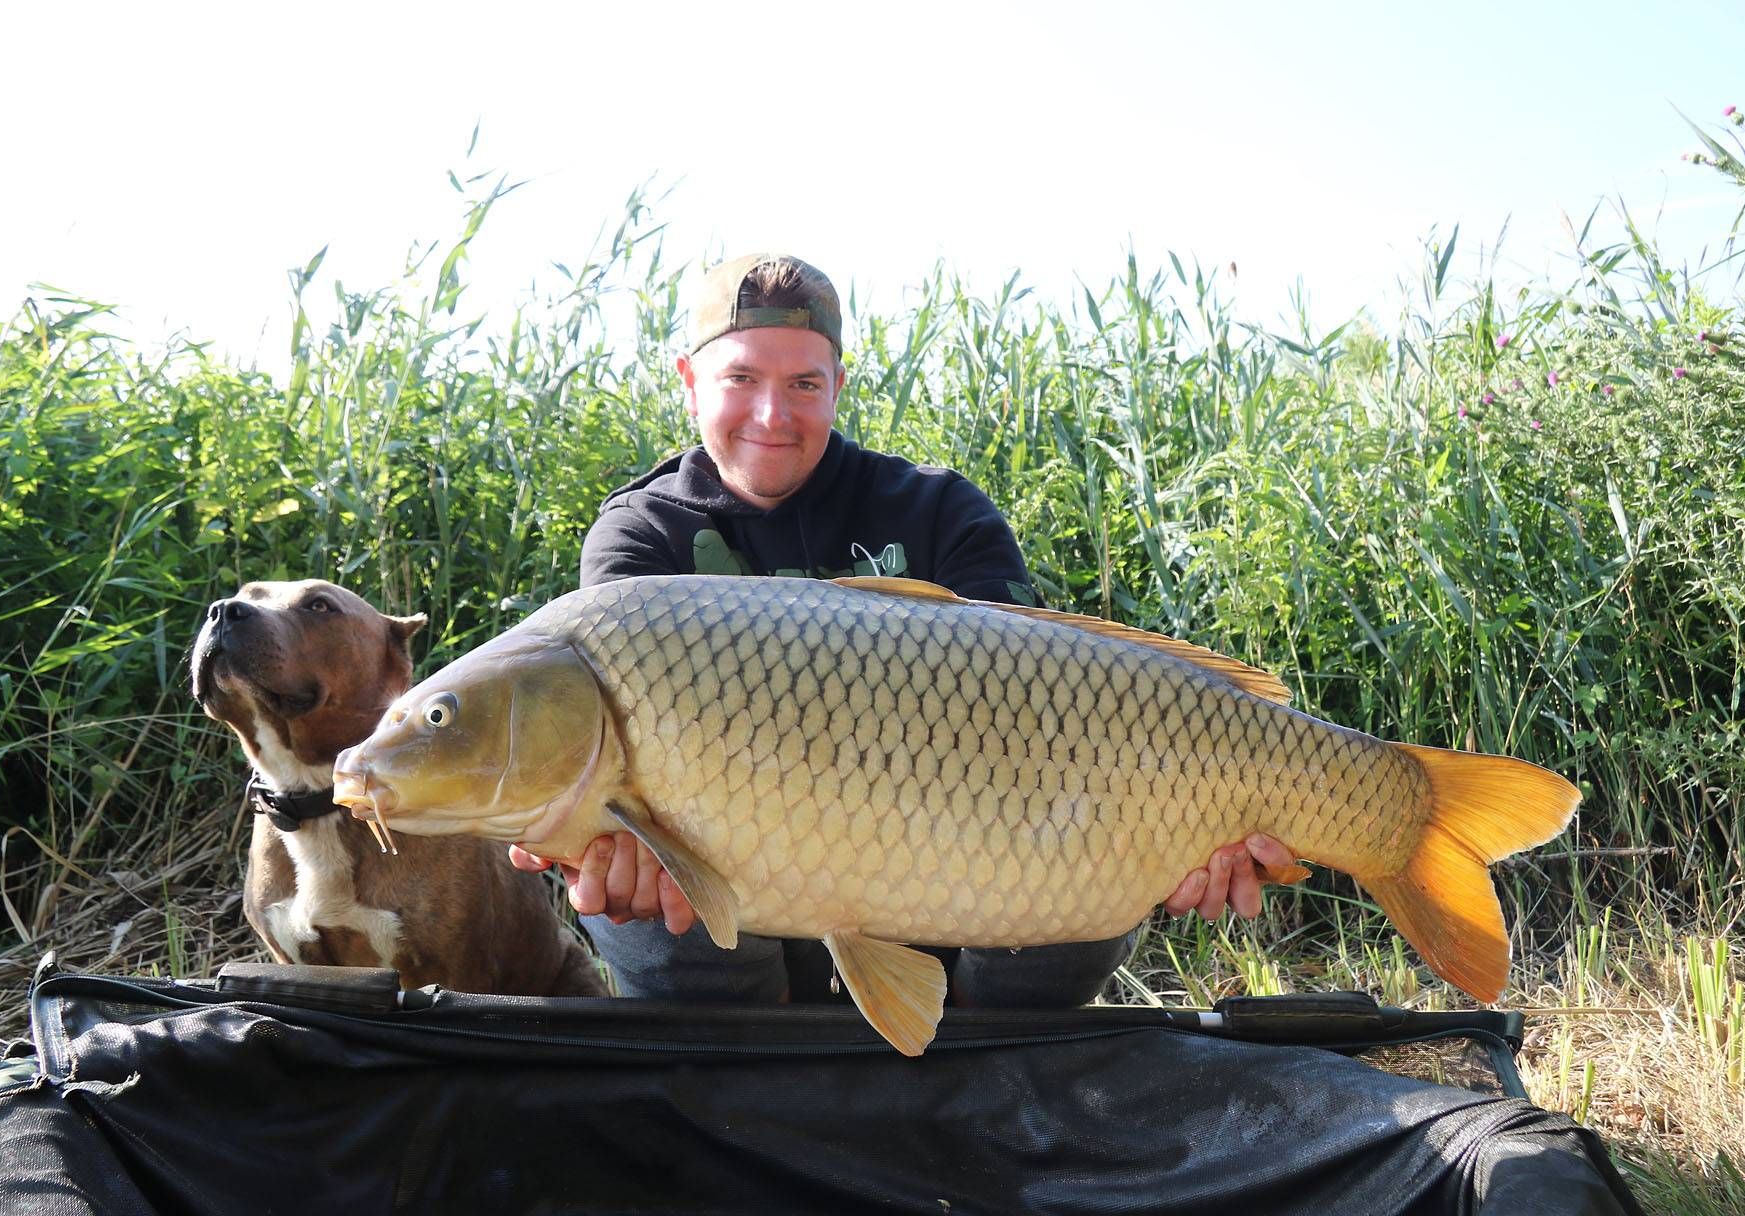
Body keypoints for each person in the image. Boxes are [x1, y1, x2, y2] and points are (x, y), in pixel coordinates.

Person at [510, 252, 1295, 1006]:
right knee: (634, 885)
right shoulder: (641, 537)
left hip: (959, 899)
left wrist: (1192, 831)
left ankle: (981, 1071)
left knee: (1082, 883)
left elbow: (1059, 709)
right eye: (740, 378)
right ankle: (748, 1080)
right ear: (689, 382)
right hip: (740, 926)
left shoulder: (940, 512)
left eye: (804, 383)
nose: (772, 414)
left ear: (838, 386)